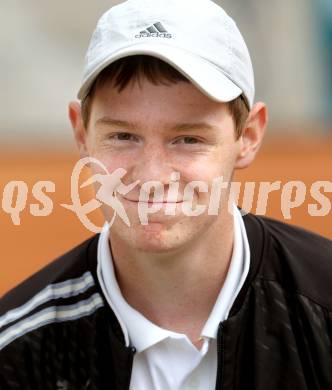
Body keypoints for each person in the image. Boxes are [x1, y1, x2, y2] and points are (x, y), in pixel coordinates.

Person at [0, 0, 331, 389]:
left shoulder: (321, 309)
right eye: (123, 136)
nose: (153, 175)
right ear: (81, 134)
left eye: (188, 139)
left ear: (248, 137)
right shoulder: (17, 354)